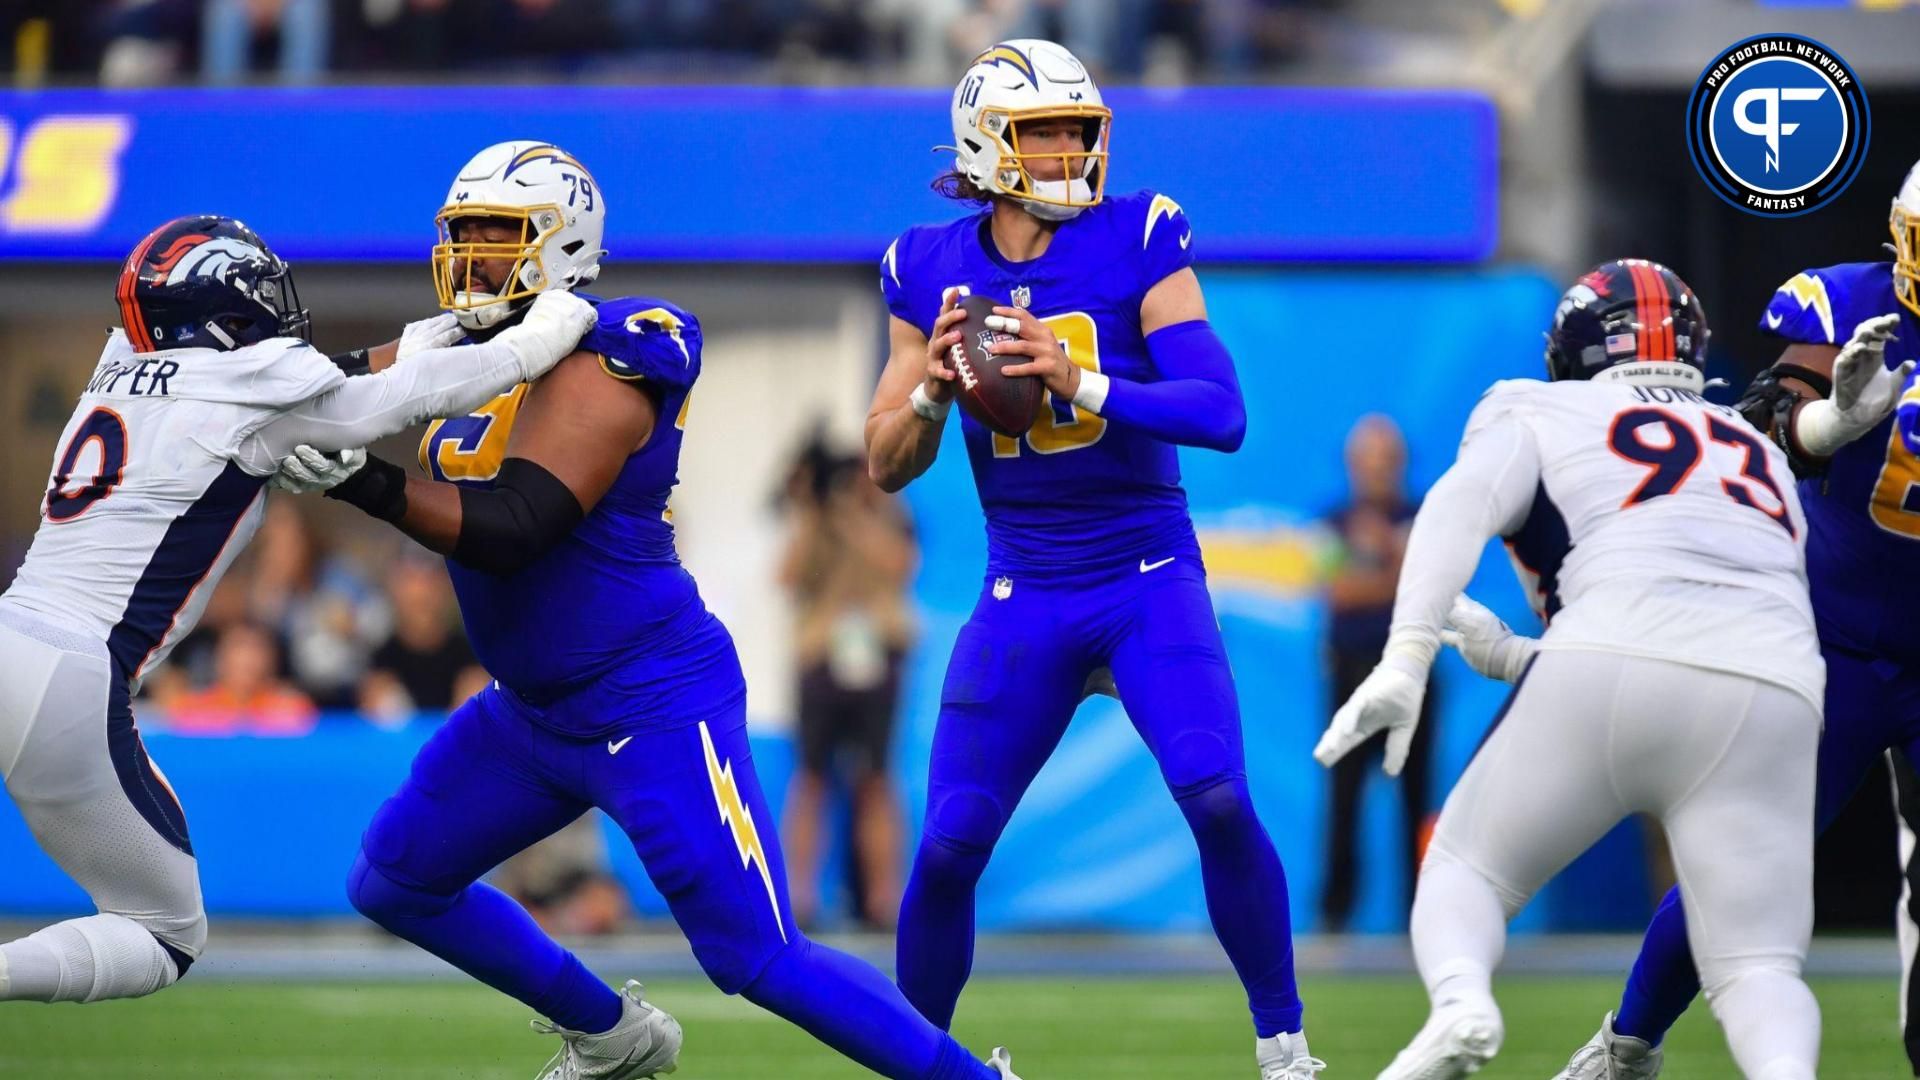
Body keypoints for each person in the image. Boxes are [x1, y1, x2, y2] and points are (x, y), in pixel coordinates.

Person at [277, 140, 1022, 1080]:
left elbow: (518, 524)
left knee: (757, 957)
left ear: (564, 244)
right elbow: (331, 393)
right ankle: (610, 1034)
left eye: (499, 236)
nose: (473, 259)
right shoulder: (460, 349)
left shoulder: (622, 345)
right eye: (462, 236)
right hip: (532, 709)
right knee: (393, 880)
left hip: (648, 701)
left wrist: (369, 487)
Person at [863, 39, 1319, 1080]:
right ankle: (920, 1066)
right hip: (1024, 586)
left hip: (1146, 573)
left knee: (1217, 794)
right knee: (947, 848)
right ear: (990, 146)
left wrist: (1083, 379)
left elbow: (1222, 411)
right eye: (1045, 133)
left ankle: (1285, 1050)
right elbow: (885, 461)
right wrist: (932, 389)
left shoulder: (1141, 235)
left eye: (1081, 130)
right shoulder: (925, 265)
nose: (1071, 151)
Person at [0, 213, 592, 1006]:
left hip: (14, 635)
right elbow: (396, 401)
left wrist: (421, 338)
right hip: (72, 677)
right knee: (164, 933)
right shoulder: (246, 386)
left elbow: (333, 379)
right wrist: (525, 346)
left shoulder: (121, 363)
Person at [1317, 259, 1855, 1080]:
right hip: (1777, 687)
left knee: (1465, 870)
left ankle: (1462, 1005)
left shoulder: (1533, 405)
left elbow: (1459, 509)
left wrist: (1408, 651)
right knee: (1757, 967)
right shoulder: (1758, 448)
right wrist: (1515, 655)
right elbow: (1702, 634)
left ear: (1572, 350)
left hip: (1608, 659)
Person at [1550, 163, 1920, 1080]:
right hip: (1834, 640)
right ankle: (1627, 1046)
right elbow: (1763, 418)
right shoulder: (1849, 310)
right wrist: (1827, 424)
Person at [778, 437, 917, 930]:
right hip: (821, 656)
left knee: (876, 780)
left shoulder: (892, 515)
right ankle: (799, 898)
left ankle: (885, 900)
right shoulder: (815, 519)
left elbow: (900, 565)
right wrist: (813, 512)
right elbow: (788, 578)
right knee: (811, 779)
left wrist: (855, 515)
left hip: (878, 651)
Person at [1318, 414, 1431, 932]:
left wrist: (1379, 563)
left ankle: (1421, 917)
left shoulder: (1424, 516)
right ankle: (1335, 915)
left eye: (1387, 460)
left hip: (1412, 669)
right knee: (1344, 796)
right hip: (1353, 672)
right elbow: (1338, 591)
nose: (1378, 471)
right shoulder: (1334, 523)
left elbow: (1426, 589)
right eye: (1369, 460)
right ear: (1352, 466)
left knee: (1416, 796)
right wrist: (1393, 566)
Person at [163, 621, 318, 736]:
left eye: (256, 649)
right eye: (238, 647)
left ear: (272, 659)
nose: (247, 659)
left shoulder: (291, 708)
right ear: (219, 659)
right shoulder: (192, 708)